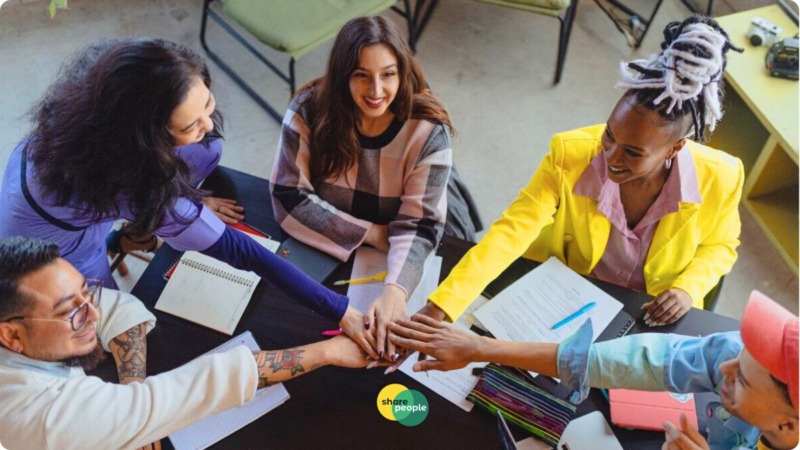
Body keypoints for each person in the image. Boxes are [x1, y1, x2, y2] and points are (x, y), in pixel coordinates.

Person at [0, 38, 368, 346]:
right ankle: (130, 239)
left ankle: (136, 233)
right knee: (107, 319)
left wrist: (185, 203)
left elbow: (191, 152)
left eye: (206, 103)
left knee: (208, 149)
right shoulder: (132, 184)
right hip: (53, 249)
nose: (208, 123)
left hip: (56, 186)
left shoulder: (106, 84)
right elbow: (242, 251)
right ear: (148, 140)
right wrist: (341, 309)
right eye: (190, 123)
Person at [418, 16, 745, 328]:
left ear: (675, 149)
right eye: (609, 136)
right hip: (565, 298)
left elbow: (721, 246)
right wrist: (443, 305)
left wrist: (689, 287)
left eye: (633, 153)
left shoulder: (722, 177)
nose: (611, 157)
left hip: (649, 316)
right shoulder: (569, 153)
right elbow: (511, 232)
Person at [0, 236, 374, 449]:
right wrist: (328, 351)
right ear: (11, 335)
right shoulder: (41, 417)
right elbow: (189, 390)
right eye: (72, 312)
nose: (92, 315)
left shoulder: (25, 331)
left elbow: (118, 306)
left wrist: (133, 386)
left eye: (87, 292)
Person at [270, 16, 477, 361]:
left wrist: (395, 292)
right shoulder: (308, 108)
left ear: (403, 71)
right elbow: (287, 199)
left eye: (388, 74)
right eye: (361, 75)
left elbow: (420, 226)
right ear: (341, 75)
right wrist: (372, 233)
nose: (376, 91)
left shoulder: (428, 129)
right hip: (346, 240)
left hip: (402, 228)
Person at [390, 290, 799, 450]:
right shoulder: (741, 357)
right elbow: (640, 360)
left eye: (739, 378)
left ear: (787, 426)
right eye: (737, 356)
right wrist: (479, 347)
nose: (722, 367)